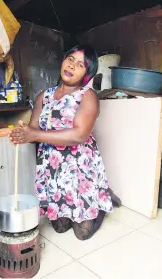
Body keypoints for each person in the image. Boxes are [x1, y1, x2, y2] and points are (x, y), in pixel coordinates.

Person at [10, 44, 120, 241]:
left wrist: (34, 135)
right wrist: (23, 133)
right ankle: (81, 204)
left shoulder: (88, 96)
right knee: (60, 228)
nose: (72, 66)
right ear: (63, 60)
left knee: (82, 233)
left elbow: (79, 135)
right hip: (53, 170)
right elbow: (33, 128)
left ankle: (102, 199)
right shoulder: (44, 96)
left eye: (80, 65)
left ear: (87, 73)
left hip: (79, 168)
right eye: (70, 59)